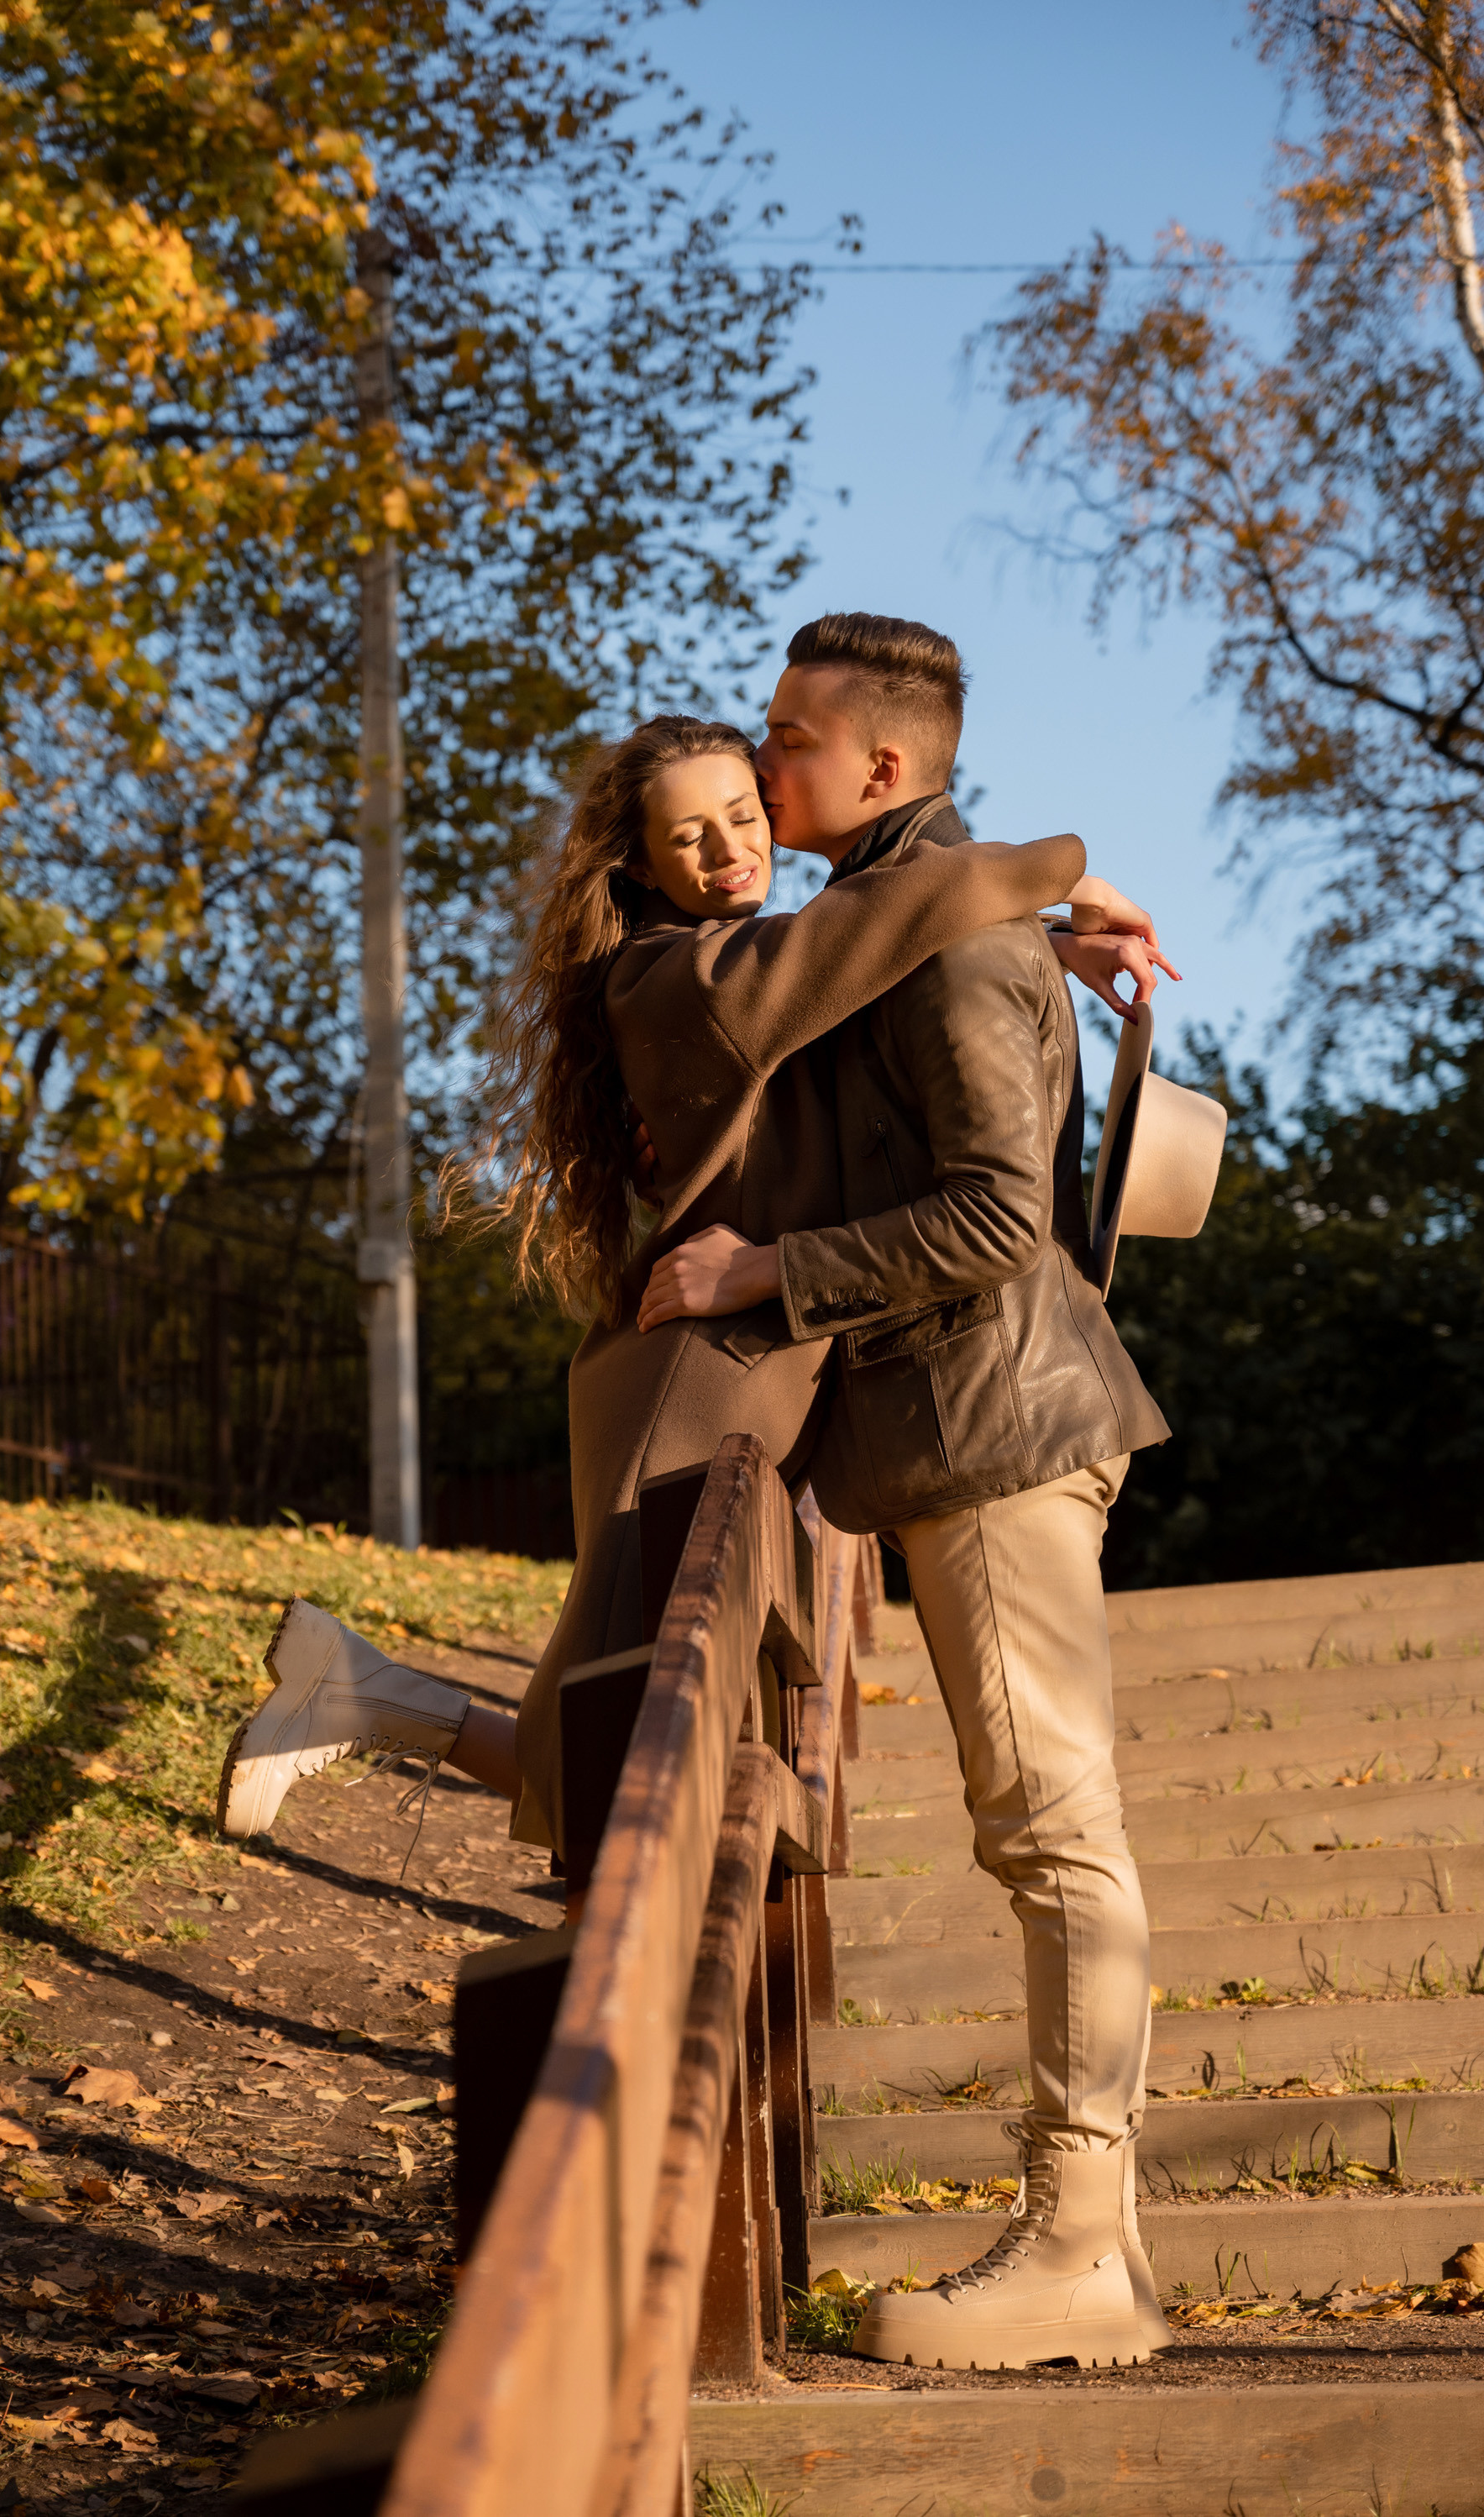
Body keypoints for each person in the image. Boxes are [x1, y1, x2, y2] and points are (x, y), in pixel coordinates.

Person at [217, 697, 1162, 1856]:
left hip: (754, 1353)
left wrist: (1053, 945)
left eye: (743, 813)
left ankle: (361, 1693)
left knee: (647, 1717)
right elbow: (876, 925)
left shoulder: (752, 974)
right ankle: (359, 1700)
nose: (732, 848)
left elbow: (872, 999)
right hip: (698, 1370)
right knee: (633, 1723)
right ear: (643, 866)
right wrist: (1068, 872)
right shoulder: (683, 978)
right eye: (689, 836)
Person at [637, 612, 1176, 2371]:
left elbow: (989, 1219)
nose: (760, 755)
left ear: (882, 767)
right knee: (1050, 1829)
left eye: (790, 736)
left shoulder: (941, 945)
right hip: (969, 1431)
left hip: (1000, 1430)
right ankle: (1096, 2243)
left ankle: (1077, 2247)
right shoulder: (912, 916)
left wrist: (755, 1273)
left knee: (1051, 1828)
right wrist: (1063, 905)